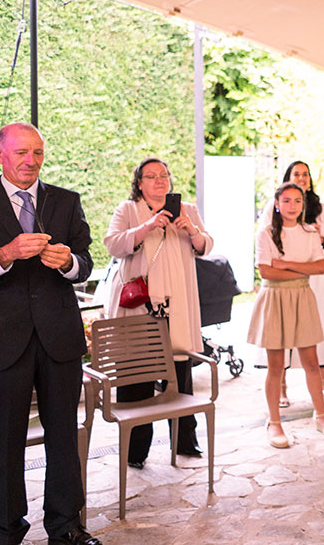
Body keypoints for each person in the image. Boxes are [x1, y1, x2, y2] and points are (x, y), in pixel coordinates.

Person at [0, 122, 100, 545]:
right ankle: (8, 530)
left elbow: (86, 263)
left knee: (64, 437)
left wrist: (69, 262)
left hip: (59, 340)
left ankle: (67, 526)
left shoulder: (66, 201)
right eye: (20, 153)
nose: (30, 161)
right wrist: (5, 255)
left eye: (37, 153)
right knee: (6, 443)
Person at [104, 157, 212, 467]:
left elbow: (206, 245)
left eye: (163, 175)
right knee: (136, 375)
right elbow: (112, 245)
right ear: (139, 183)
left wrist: (191, 231)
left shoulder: (187, 209)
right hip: (139, 304)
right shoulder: (127, 210)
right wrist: (147, 226)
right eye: (151, 176)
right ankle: (136, 451)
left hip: (177, 302)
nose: (159, 180)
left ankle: (185, 443)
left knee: (179, 371)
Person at [248, 183, 324, 447]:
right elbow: (266, 272)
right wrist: (302, 269)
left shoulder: (310, 232)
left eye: (297, 201)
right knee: (276, 366)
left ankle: (321, 415)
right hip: (275, 298)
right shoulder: (265, 233)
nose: (292, 206)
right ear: (277, 203)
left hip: (303, 296)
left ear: (303, 204)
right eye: (286, 201)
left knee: (312, 362)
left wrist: (285, 263)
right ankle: (274, 423)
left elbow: (320, 267)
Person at [257, 161, 324, 404]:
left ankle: (322, 380)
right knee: (281, 335)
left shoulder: (319, 208)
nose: (302, 178)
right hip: (282, 285)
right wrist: (290, 266)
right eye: (296, 174)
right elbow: (268, 256)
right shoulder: (275, 211)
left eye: (305, 174)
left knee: (313, 333)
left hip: (312, 282)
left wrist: (315, 236)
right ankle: (281, 385)